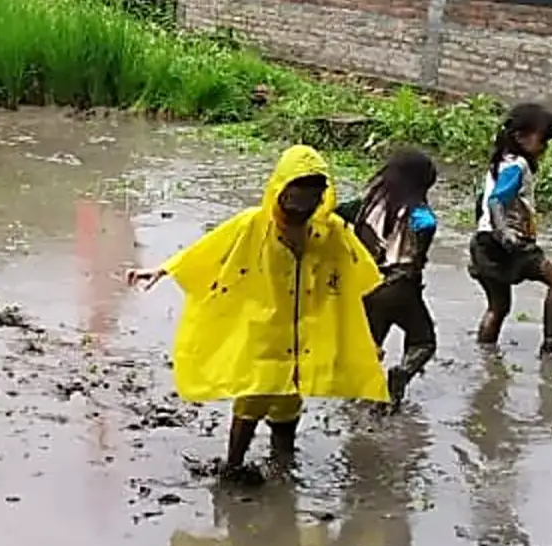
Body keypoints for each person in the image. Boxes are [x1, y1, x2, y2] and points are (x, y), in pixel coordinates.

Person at [126, 145, 387, 480]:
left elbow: (355, 281)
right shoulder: (252, 225)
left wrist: (367, 335)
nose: (301, 207)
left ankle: (282, 467)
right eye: (294, 198)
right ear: (279, 191)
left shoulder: (331, 232)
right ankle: (233, 466)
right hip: (263, 333)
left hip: (302, 338)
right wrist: (163, 270)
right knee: (252, 403)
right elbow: (208, 251)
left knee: (289, 405)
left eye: (311, 199)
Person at [471, 102, 552, 361]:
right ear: (521, 137)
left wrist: (489, 231)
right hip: (508, 244)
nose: (545, 148)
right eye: (543, 141)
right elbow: (496, 200)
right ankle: (550, 349)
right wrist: (505, 231)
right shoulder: (517, 167)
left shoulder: (500, 162)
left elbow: (482, 200)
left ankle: (485, 356)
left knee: (498, 307)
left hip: (484, 242)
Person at [336, 149, 439, 408]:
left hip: (369, 286)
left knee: (370, 346)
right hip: (400, 286)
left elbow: (336, 212)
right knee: (423, 341)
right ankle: (400, 375)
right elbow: (426, 224)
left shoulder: (366, 205)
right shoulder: (417, 212)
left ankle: (356, 396)